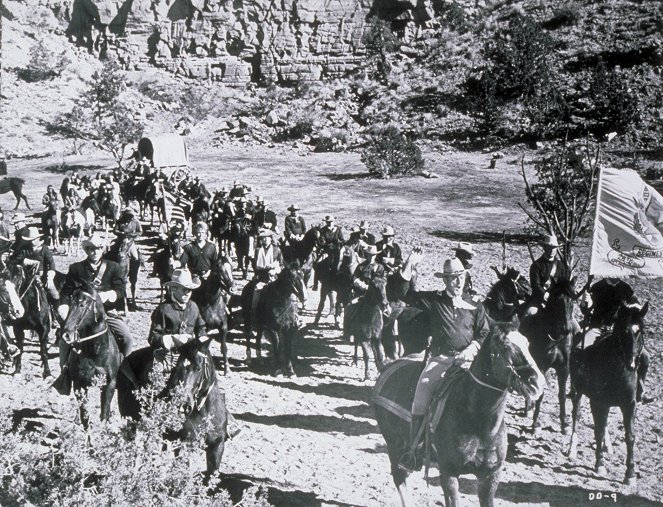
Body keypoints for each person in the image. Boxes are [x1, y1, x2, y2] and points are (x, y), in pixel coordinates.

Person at [399, 256, 490, 473]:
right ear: (445, 281)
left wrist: (472, 348)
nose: (458, 283)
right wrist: (410, 264)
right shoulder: (435, 300)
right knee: (420, 398)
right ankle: (415, 452)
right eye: (452, 279)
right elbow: (404, 294)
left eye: (460, 277)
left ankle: (491, 446)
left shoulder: (475, 305)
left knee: (490, 394)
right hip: (440, 361)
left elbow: (484, 331)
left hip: (469, 362)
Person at [54, 235, 133, 392]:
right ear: (86, 250)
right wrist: (63, 305)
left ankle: (123, 370)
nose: (94, 251)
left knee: (126, 337)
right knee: (64, 340)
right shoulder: (76, 269)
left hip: (106, 313)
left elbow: (122, 290)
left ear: (102, 249)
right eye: (90, 248)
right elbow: (67, 291)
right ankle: (65, 373)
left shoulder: (113, 267)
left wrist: (110, 295)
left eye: (97, 248)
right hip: (82, 314)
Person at [578, 278, 653, 404]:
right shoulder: (597, 287)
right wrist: (585, 303)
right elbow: (586, 312)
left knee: (645, 357)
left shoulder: (626, 288)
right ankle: (579, 384)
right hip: (598, 327)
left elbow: (635, 305)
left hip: (620, 330)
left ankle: (640, 391)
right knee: (580, 349)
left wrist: (637, 307)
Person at [148, 268, 209, 373]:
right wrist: (173, 339)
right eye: (183, 289)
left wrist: (201, 341)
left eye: (189, 290)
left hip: (190, 353)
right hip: (169, 354)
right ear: (173, 289)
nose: (187, 294)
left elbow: (201, 327)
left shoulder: (194, 307)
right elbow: (153, 338)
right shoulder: (163, 309)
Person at [525, 234, 568, 316]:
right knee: (530, 313)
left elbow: (564, 285)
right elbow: (535, 285)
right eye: (550, 247)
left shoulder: (561, 266)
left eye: (554, 247)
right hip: (539, 300)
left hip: (557, 301)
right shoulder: (536, 265)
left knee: (574, 326)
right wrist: (545, 294)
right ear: (544, 248)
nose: (552, 250)